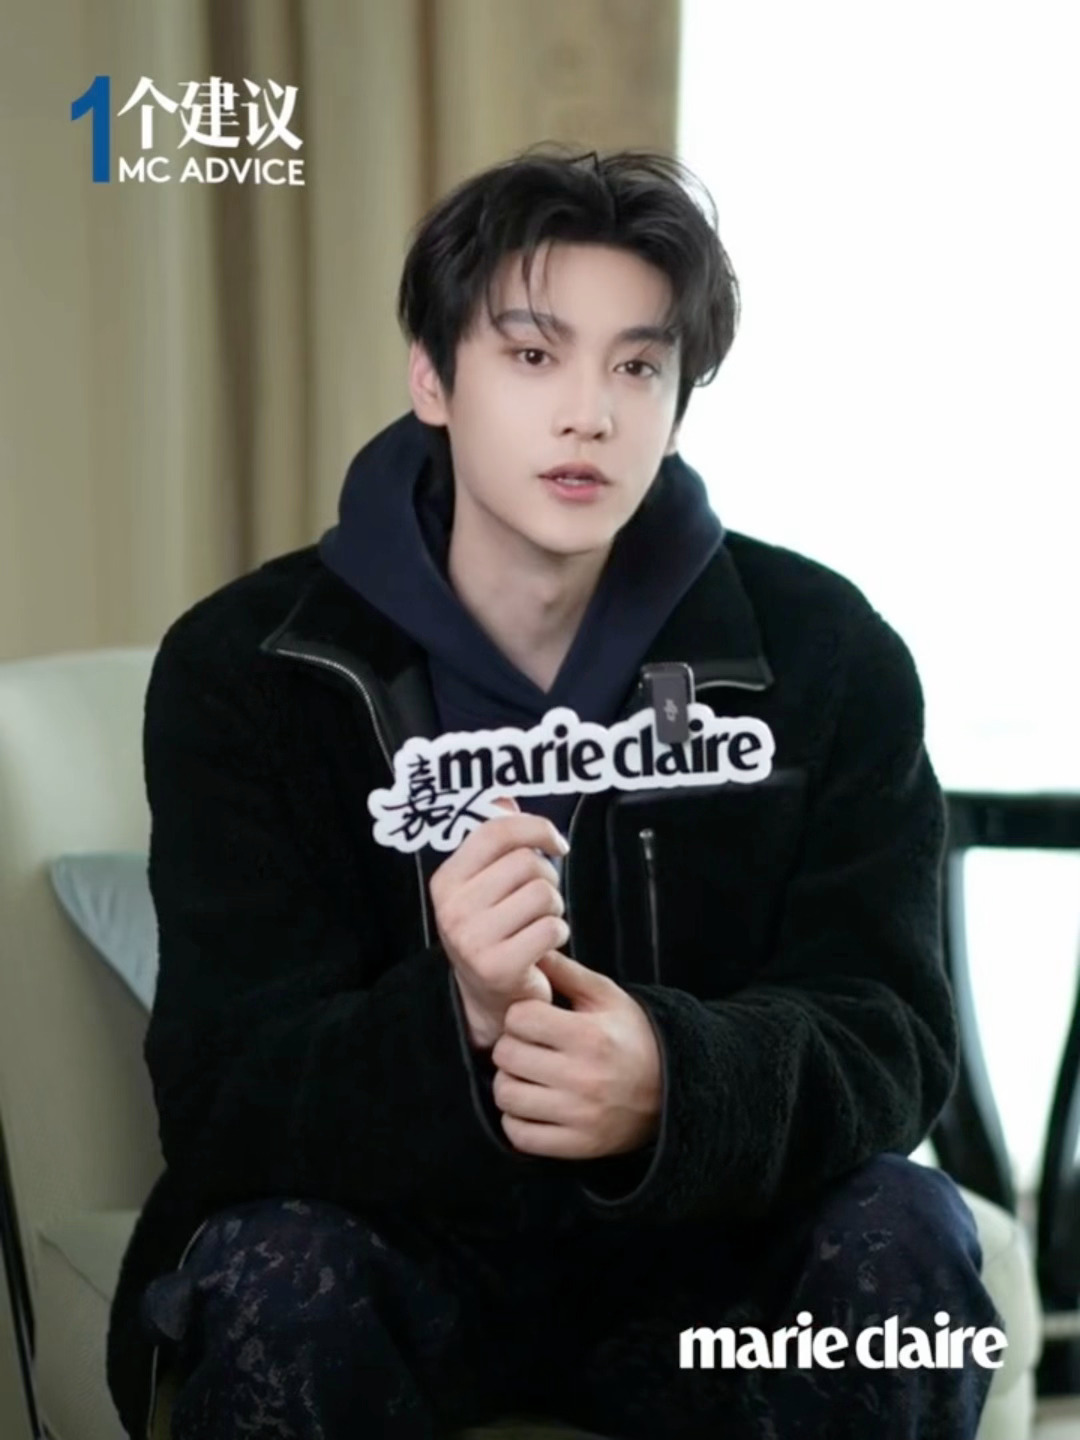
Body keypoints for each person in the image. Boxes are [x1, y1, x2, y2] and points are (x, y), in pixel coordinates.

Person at [106, 146, 1003, 1440]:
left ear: (678, 401)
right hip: (400, 1265)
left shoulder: (823, 653)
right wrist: (456, 1016)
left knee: (904, 1233)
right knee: (270, 1273)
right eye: (534, 355)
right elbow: (222, 1095)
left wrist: (673, 1083)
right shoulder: (252, 668)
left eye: (637, 367)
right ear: (433, 377)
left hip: (711, 1273)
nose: (589, 414)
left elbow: (891, 1033)